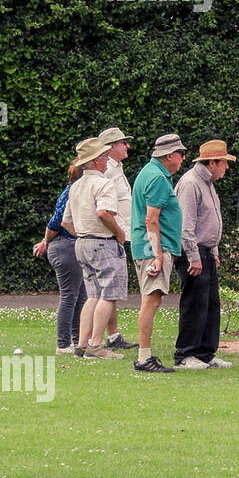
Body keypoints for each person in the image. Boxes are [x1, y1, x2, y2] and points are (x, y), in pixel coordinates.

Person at [173, 139, 235, 369]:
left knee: (210, 304)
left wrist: (213, 250)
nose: (226, 168)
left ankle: (205, 352)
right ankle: (185, 354)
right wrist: (194, 256)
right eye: (224, 163)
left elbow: (209, 221)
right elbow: (185, 225)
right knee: (194, 303)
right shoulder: (190, 184)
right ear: (212, 163)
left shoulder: (208, 183)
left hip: (206, 250)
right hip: (193, 251)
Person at [130, 133, 187, 373]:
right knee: (151, 299)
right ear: (170, 156)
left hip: (149, 247)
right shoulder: (157, 178)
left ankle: (145, 356)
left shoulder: (150, 173)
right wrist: (158, 255)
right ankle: (144, 358)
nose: (183, 159)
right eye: (181, 154)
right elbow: (151, 220)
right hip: (152, 248)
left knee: (151, 299)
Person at [68, 138, 127, 360]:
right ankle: (95, 346)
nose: (106, 160)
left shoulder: (75, 186)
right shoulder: (103, 183)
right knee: (108, 295)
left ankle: (81, 345)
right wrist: (119, 233)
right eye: (103, 157)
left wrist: (84, 233)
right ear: (94, 161)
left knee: (92, 295)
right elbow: (104, 213)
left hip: (82, 243)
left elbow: (66, 223)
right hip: (103, 243)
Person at [33, 161, 87, 354]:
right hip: (66, 247)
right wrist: (46, 241)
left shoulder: (71, 191)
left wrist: (45, 241)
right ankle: (63, 344)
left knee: (81, 297)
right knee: (70, 297)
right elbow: (58, 222)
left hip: (66, 246)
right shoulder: (72, 193)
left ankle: (77, 341)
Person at [96, 127, 137, 350]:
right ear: (111, 147)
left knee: (109, 289)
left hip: (118, 235)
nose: (127, 146)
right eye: (123, 142)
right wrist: (117, 231)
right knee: (107, 290)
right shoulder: (105, 169)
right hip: (111, 235)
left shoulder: (115, 167)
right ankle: (96, 339)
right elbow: (102, 204)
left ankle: (112, 336)